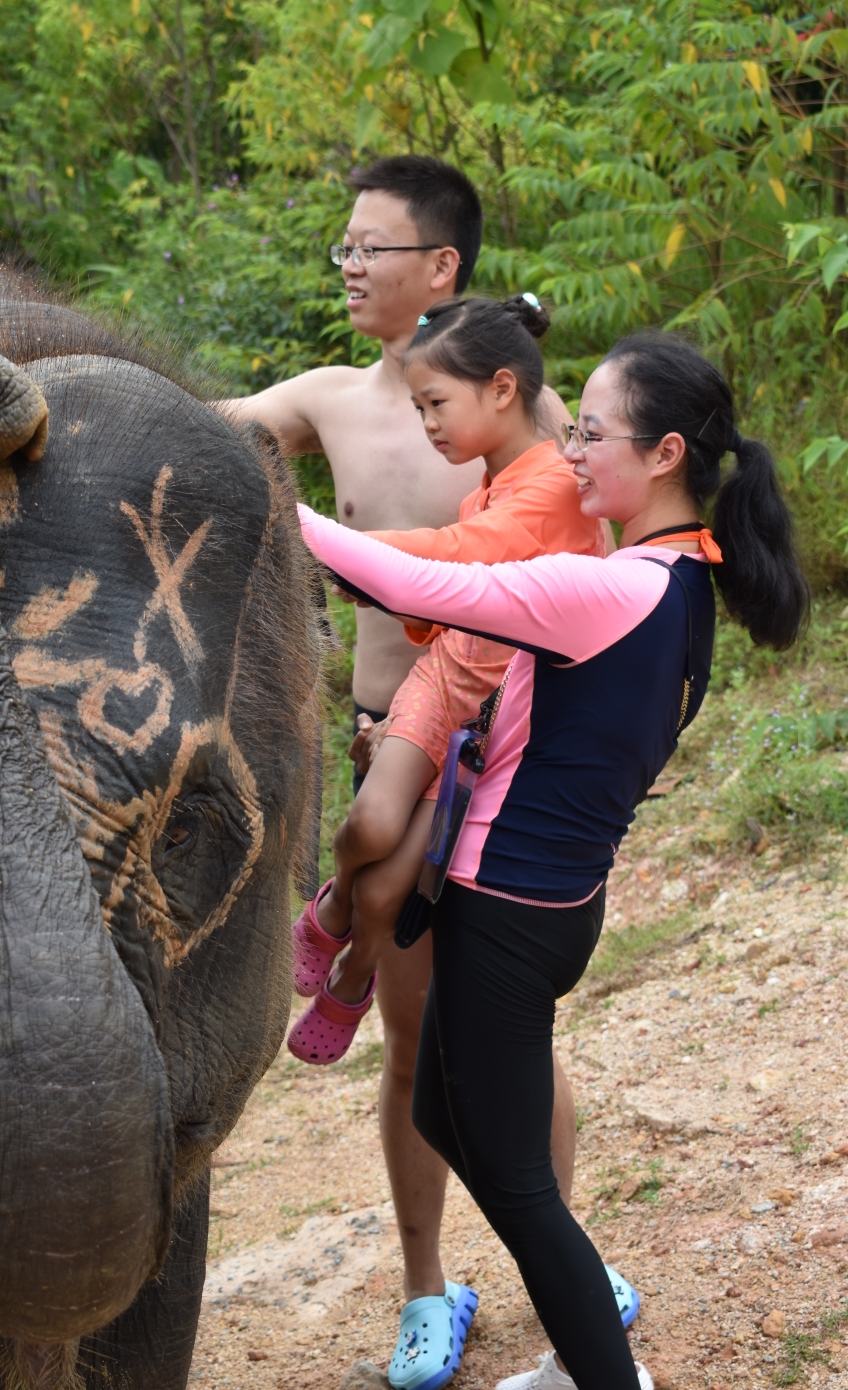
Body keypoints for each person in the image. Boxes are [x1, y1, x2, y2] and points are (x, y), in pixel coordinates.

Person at [295, 332, 809, 1390]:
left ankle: (598, 1371)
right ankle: (581, 1340)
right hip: (547, 908)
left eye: (590, 432)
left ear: (664, 453)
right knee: (446, 1112)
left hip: (506, 918)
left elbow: (403, 576)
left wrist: (267, 504)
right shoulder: (678, 590)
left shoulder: (608, 592)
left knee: (522, 1188)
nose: (570, 450)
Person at [217, 156, 634, 1389]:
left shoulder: (540, 422)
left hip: (510, 759)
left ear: (439, 265)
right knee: (410, 1043)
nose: (347, 265)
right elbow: (189, 441)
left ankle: (556, 1263)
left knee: (511, 1028)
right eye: (340, 248)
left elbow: (607, 587)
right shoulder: (325, 402)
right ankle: (421, 1288)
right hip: (387, 738)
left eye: (370, 246)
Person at [287, 291, 604, 1063]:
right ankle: (331, 907)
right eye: (419, 405)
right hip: (448, 678)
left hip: (503, 714)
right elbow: (445, 613)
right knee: (365, 829)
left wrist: (344, 550)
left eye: (435, 403)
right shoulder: (486, 485)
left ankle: (354, 973)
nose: (427, 423)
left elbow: (466, 552)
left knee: (393, 885)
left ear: (501, 389)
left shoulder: (556, 482)